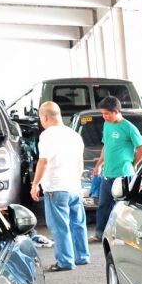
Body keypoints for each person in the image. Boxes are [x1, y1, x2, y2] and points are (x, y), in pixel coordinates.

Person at [30, 101, 90, 272]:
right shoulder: (74, 135)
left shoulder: (48, 136)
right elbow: (80, 162)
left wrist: (35, 184)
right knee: (77, 223)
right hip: (74, 187)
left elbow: (43, 161)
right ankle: (82, 256)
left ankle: (65, 261)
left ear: (45, 117)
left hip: (56, 188)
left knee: (60, 226)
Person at [89, 95, 142, 243]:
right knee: (103, 206)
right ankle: (99, 234)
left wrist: (133, 164)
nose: (104, 117)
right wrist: (99, 165)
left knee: (123, 209)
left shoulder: (128, 127)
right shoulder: (107, 125)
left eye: (107, 113)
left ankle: (123, 236)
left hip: (123, 175)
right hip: (107, 174)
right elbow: (106, 146)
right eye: (103, 113)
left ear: (116, 111)